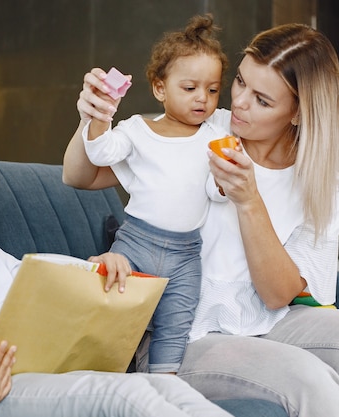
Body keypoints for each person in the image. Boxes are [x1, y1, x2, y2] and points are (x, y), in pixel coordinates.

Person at [64, 21, 339, 417]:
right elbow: (81, 175)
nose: (239, 102)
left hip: (271, 320)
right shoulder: (202, 127)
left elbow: (279, 296)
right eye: (240, 81)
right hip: (185, 331)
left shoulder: (322, 184)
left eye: (262, 100)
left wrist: (248, 200)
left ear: (298, 113)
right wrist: (92, 117)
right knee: (308, 378)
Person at [0, 121, 233, 417]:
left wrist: (93, 267)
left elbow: (38, 275)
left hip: (34, 362)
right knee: (124, 397)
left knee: (164, 384)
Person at [82, 14, 230, 375]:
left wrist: (227, 181)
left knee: (174, 327)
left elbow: (214, 192)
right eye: (190, 88)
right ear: (159, 88)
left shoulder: (213, 137)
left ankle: (163, 387)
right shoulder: (138, 129)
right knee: (110, 310)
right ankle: (97, 377)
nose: (203, 99)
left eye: (212, 90)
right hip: (136, 243)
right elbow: (100, 153)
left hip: (185, 255)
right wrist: (103, 111)